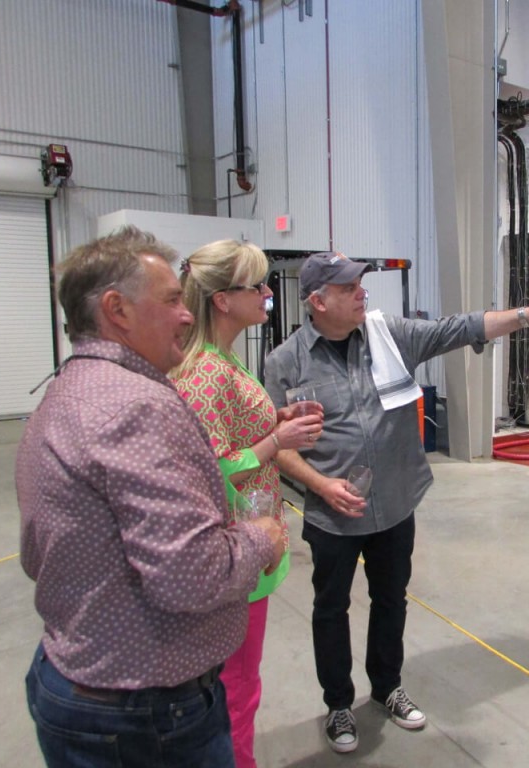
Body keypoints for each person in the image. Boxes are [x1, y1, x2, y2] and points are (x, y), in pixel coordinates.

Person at [263, 251, 529, 754]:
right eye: (349, 287)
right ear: (317, 300)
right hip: (333, 514)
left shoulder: (387, 335)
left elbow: (459, 328)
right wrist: (322, 486)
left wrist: (527, 315)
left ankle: (387, 686)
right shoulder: (285, 362)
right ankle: (338, 705)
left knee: (391, 599)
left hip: (395, 504)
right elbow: (277, 446)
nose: (361, 293)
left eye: (360, 284)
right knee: (330, 609)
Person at [16, 227, 287, 768]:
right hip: (144, 710)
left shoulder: (69, 390)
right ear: (116, 310)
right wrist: (259, 540)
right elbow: (193, 574)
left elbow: (36, 554)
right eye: (168, 300)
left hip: (80, 677)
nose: (184, 314)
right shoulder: (139, 408)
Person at [171, 240, 323, 768]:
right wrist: (275, 443)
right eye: (255, 286)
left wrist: (272, 424)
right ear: (221, 300)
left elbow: (229, 438)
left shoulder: (220, 360)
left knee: (238, 685)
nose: (266, 294)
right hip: (237, 552)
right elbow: (210, 468)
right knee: (237, 689)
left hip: (246, 546)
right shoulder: (207, 373)